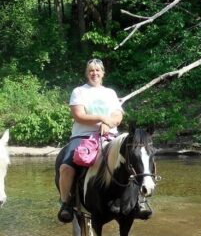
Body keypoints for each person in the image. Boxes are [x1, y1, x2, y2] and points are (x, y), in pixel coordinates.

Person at [57, 58, 152, 223]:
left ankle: (140, 201)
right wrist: (102, 119)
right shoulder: (79, 91)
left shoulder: (110, 93)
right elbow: (79, 115)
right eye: (91, 70)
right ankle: (66, 203)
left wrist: (109, 123)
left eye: (97, 70)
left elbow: (118, 115)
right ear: (87, 73)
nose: (94, 73)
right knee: (66, 167)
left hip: (110, 137)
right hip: (82, 137)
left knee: (135, 159)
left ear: (103, 73)